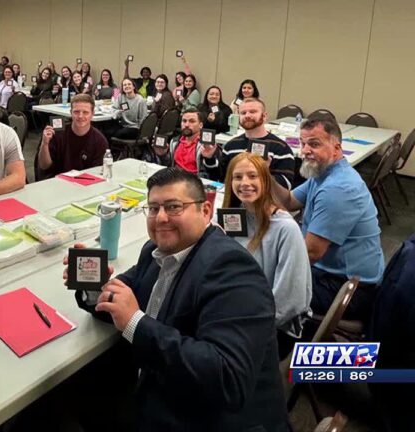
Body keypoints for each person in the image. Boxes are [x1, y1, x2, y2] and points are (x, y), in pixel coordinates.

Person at [67, 167, 289, 431]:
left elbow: (227, 381)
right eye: (153, 208)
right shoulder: (156, 251)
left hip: (209, 418)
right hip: (167, 386)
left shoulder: (232, 269)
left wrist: (135, 322)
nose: (160, 217)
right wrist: (96, 286)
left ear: (205, 211)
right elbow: (126, 294)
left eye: (174, 207)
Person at [271, 116, 384, 322]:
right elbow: (288, 201)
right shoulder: (323, 174)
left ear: (336, 148)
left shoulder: (338, 188)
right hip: (333, 274)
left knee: (257, 285)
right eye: (303, 143)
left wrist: (267, 258)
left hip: (348, 289)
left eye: (314, 144)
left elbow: (310, 253)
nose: (304, 151)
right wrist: (265, 176)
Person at [222, 153, 312, 358]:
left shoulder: (285, 228)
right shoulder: (233, 217)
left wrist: (244, 325)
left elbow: (289, 301)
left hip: (272, 327)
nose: (245, 183)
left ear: (265, 180)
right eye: (238, 177)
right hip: (239, 308)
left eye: (253, 176)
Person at [201, 98, 295, 188]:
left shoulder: (281, 148)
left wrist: (263, 171)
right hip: (235, 202)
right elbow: (220, 178)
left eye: (253, 112)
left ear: (264, 116)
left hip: (266, 203)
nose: (247, 115)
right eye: (243, 113)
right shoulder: (231, 146)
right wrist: (210, 158)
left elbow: (286, 185)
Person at [37, 94, 107, 179]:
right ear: (70, 113)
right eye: (76, 112)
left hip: (86, 185)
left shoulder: (100, 141)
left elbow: (97, 174)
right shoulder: (57, 133)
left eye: (85, 112)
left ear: (92, 114)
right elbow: (44, 166)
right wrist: (45, 144)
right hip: (57, 183)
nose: (80, 116)